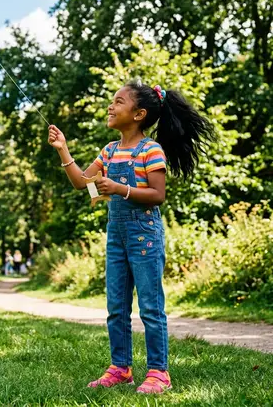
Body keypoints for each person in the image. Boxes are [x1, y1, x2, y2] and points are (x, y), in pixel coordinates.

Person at [48, 81, 214, 395]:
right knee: (116, 307)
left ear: (138, 114)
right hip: (117, 238)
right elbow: (83, 184)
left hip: (145, 237)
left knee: (150, 307)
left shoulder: (150, 149)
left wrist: (121, 189)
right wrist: (63, 150)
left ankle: (158, 372)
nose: (111, 106)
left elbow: (157, 195)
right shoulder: (109, 151)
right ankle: (120, 368)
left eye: (118, 101)